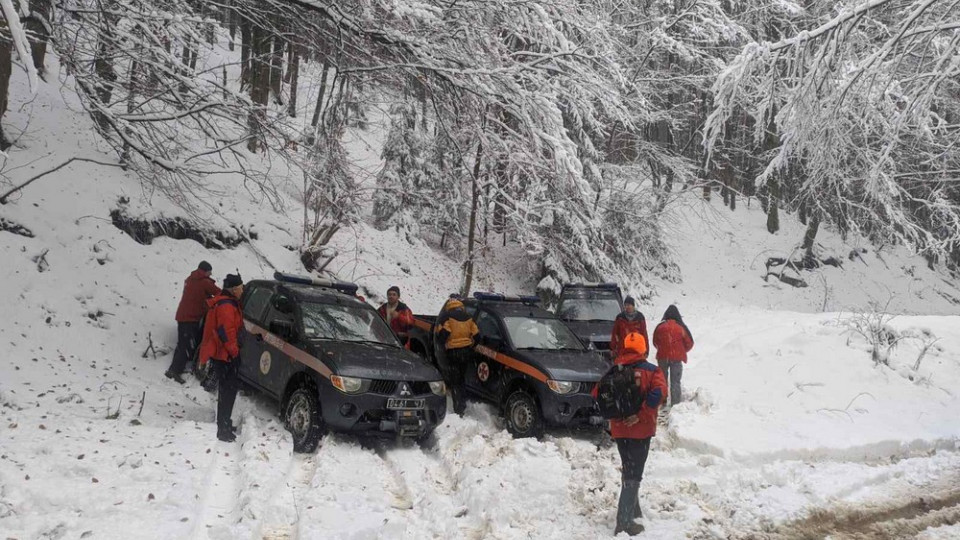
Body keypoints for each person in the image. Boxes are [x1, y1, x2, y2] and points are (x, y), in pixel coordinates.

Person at [593, 331, 667, 536]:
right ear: (643, 349)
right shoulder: (652, 371)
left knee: (628, 466)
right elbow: (659, 393)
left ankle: (634, 508)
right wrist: (640, 415)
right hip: (641, 430)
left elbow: (596, 393)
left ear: (625, 347)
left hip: (619, 430)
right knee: (634, 473)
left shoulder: (613, 370)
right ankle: (624, 522)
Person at [198, 274, 245, 442]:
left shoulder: (228, 302)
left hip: (224, 354)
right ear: (233, 289)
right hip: (225, 356)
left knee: (228, 390)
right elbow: (226, 332)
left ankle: (225, 423)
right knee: (227, 390)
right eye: (241, 287)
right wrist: (234, 352)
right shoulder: (226, 306)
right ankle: (223, 429)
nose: (243, 290)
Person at [165, 261, 221, 384]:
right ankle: (174, 371)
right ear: (205, 271)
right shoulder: (205, 282)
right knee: (186, 346)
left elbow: (198, 296)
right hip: (190, 318)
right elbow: (219, 293)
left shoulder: (190, 279)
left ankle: (174, 369)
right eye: (209, 271)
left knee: (182, 344)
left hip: (182, 315)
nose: (211, 274)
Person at [434, 299, 478, 416]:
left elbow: (443, 335)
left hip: (453, 352)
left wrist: (443, 344)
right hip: (466, 352)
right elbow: (477, 335)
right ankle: (463, 403)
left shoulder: (448, 317)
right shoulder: (468, 317)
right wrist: (471, 345)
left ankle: (458, 409)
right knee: (462, 379)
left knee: (454, 381)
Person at [652, 305, 694, 407]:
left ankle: (663, 401)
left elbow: (655, 341)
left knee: (662, 380)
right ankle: (675, 404)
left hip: (662, 357)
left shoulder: (660, 327)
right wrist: (681, 350)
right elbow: (690, 343)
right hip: (677, 358)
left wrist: (662, 349)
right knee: (675, 381)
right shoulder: (681, 328)